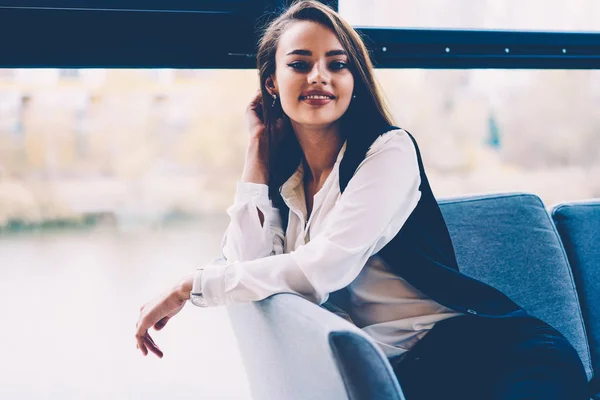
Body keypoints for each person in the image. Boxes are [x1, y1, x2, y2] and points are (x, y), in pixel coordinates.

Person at [135, 1, 589, 398]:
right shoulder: (289, 186)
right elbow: (246, 267)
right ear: (271, 83)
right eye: (299, 63)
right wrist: (256, 154)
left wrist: (188, 287)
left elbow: (321, 270)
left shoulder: (389, 151)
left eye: (338, 64)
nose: (320, 76)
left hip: (494, 353)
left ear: (355, 79)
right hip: (407, 375)